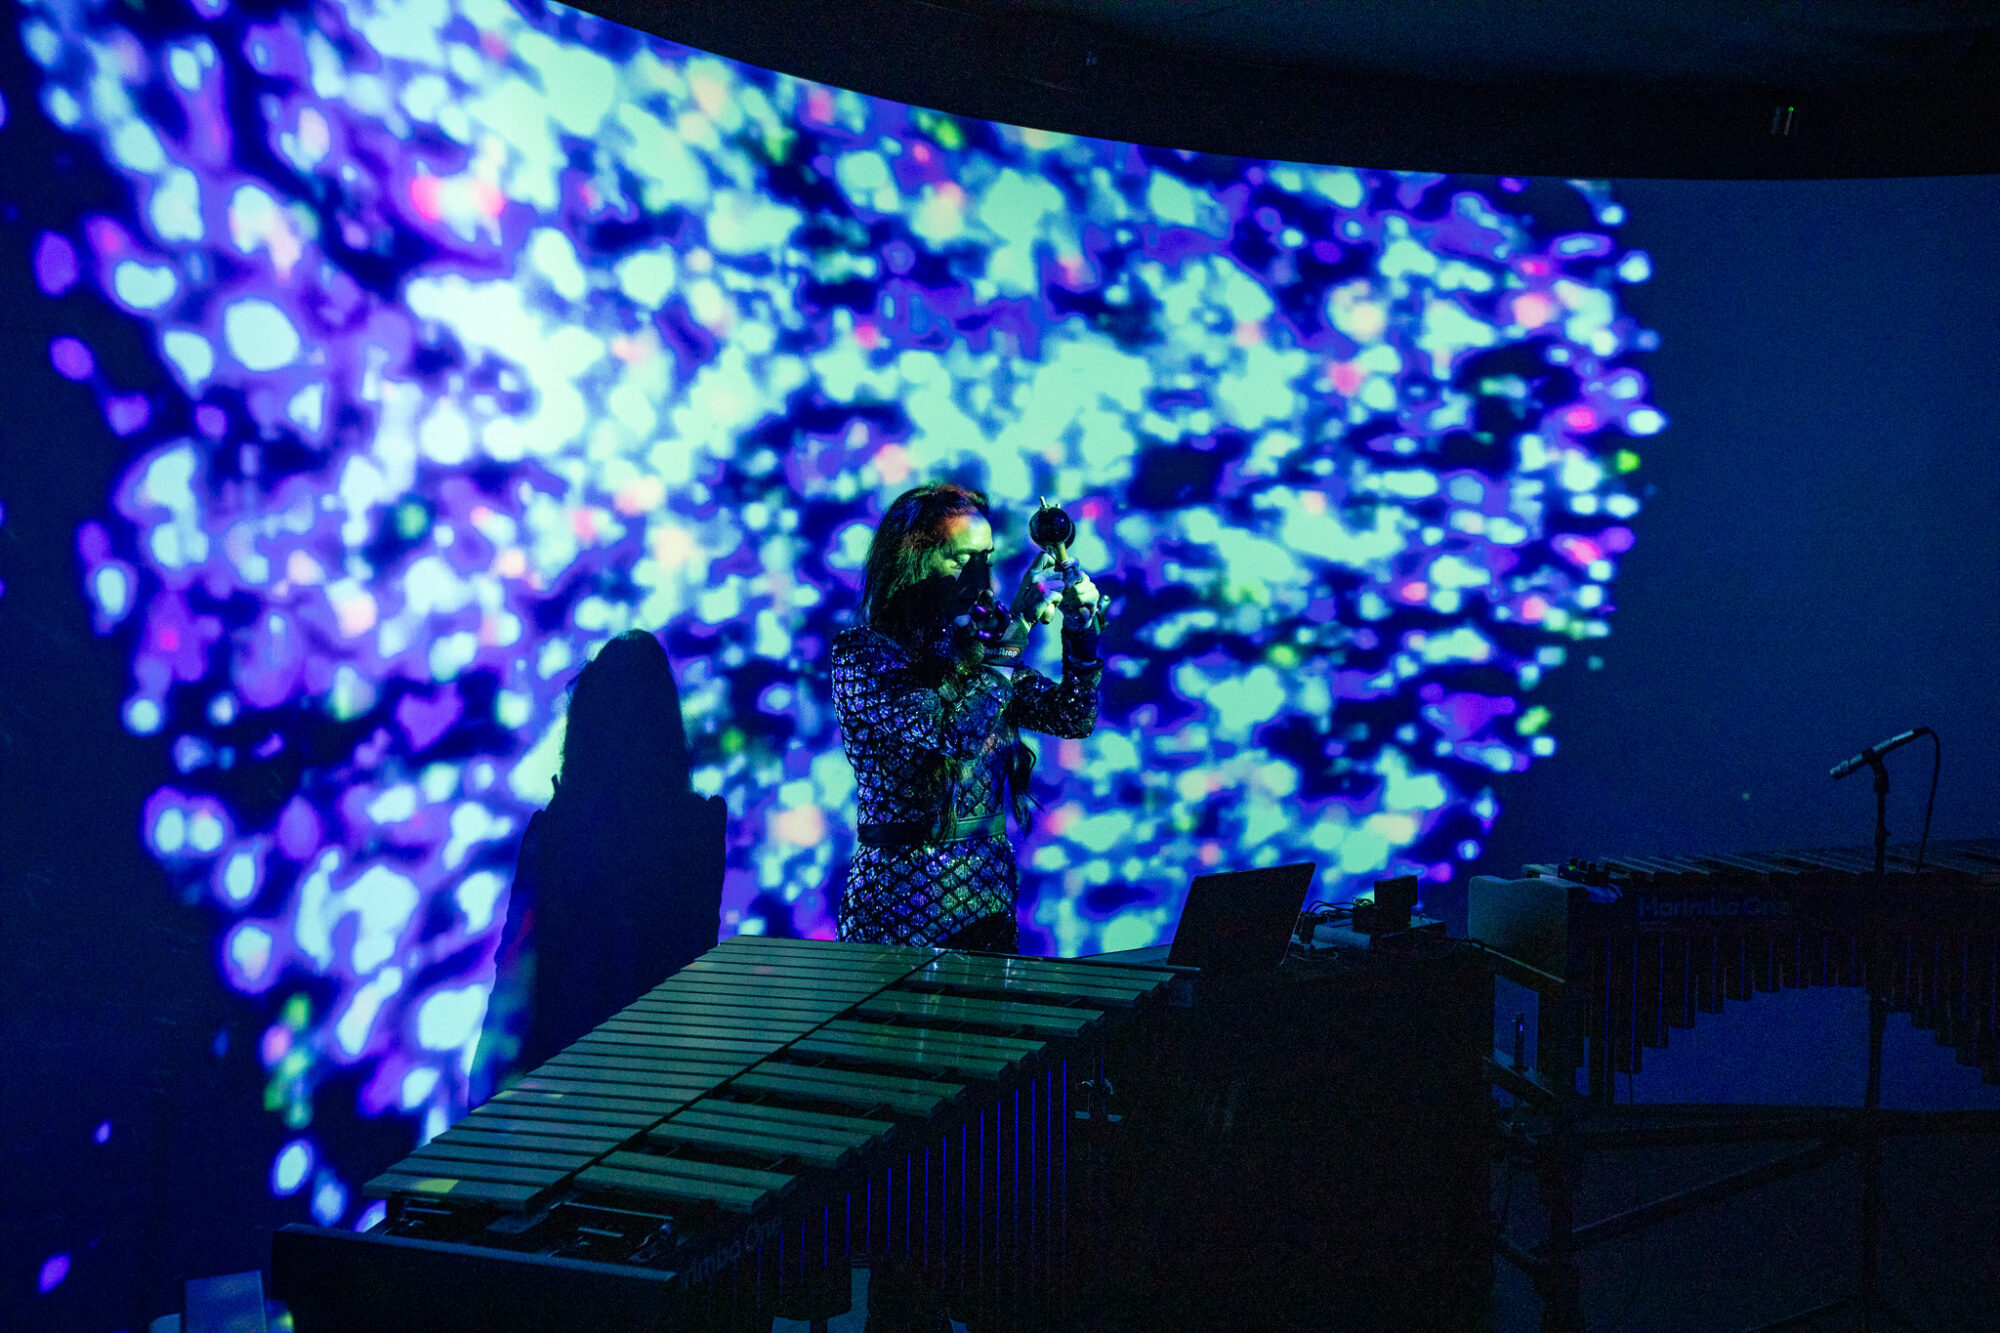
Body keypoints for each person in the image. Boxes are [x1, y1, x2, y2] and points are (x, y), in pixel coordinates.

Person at [831, 482, 1104, 953]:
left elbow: (1071, 716)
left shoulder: (975, 653)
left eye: (987, 559)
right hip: (900, 900)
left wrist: (1081, 633)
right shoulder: (862, 655)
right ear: (912, 565)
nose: (981, 578)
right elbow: (957, 733)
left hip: (988, 895)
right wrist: (1017, 629)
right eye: (961, 560)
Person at [488, 629, 727, 1075]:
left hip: (560, 1072)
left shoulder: (553, 832)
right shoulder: (700, 827)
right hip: (664, 1069)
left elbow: (515, 969)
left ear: (586, 724)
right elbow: (696, 955)